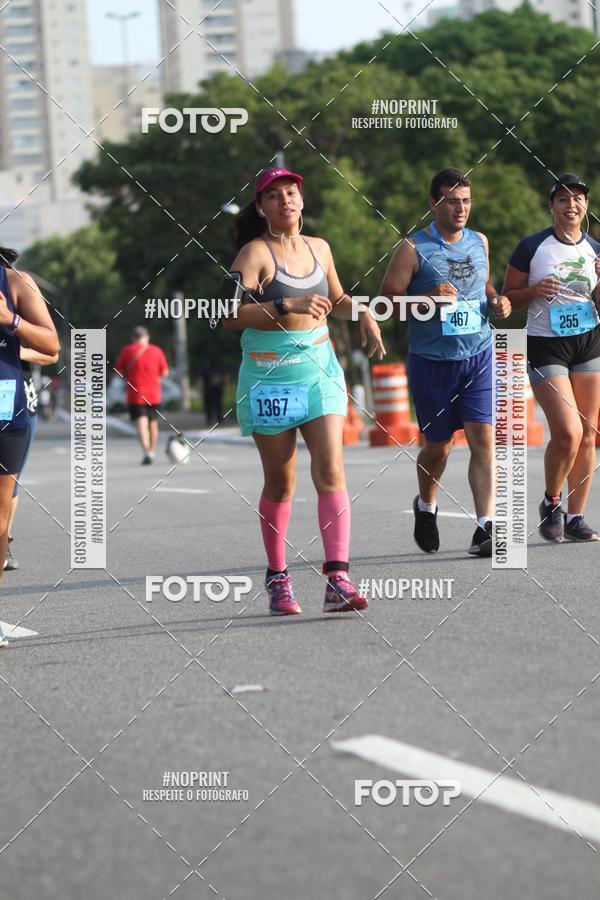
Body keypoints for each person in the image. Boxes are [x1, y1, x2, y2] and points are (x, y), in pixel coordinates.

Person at [223, 166, 385, 615]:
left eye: (291, 192)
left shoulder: (320, 248)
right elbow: (225, 314)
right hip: (269, 374)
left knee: (331, 471)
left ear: (301, 198)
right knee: (281, 482)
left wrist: (362, 311)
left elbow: (334, 297)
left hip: (318, 370)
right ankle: (277, 577)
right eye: (273, 196)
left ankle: (337, 578)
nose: (285, 201)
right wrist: (283, 303)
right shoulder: (254, 254)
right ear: (261, 207)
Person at [379, 167, 511, 557]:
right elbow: (385, 303)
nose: (461, 208)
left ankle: (486, 526)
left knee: (483, 439)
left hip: (479, 354)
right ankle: (426, 505)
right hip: (432, 362)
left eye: (467, 201)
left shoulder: (480, 241)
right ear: (433, 203)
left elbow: (483, 284)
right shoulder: (413, 248)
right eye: (452, 201)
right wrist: (427, 300)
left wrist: (496, 300)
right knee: (438, 448)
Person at [503, 173, 600, 543]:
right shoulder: (532, 247)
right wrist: (533, 291)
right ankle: (551, 501)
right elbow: (508, 299)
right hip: (546, 345)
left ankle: (575, 517)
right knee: (567, 431)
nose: (570, 205)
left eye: (577, 199)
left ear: (585, 206)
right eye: (562, 199)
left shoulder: (594, 248)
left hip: (588, 341)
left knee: (588, 434)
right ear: (551, 207)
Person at [0, 247, 60, 647]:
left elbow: (52, 344)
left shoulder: (14, 282)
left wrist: (10, 320)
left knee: (0, 520)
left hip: (4, 405)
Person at [4, 349, 59, 572]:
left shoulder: (17, 315)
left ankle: (3, 540)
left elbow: (51, 353)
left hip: (18, 399)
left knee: (9, 480)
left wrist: (14, 348)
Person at [114, 326, 169, 465]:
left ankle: (147, 452)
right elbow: (165, 373)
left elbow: (118, 372)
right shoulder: (157, 351)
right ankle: (153, 450)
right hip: (154, 394)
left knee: (141, 424)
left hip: (135, 394)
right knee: (153, 423)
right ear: (147, 337)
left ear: (134, 338)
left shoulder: (127, 351)